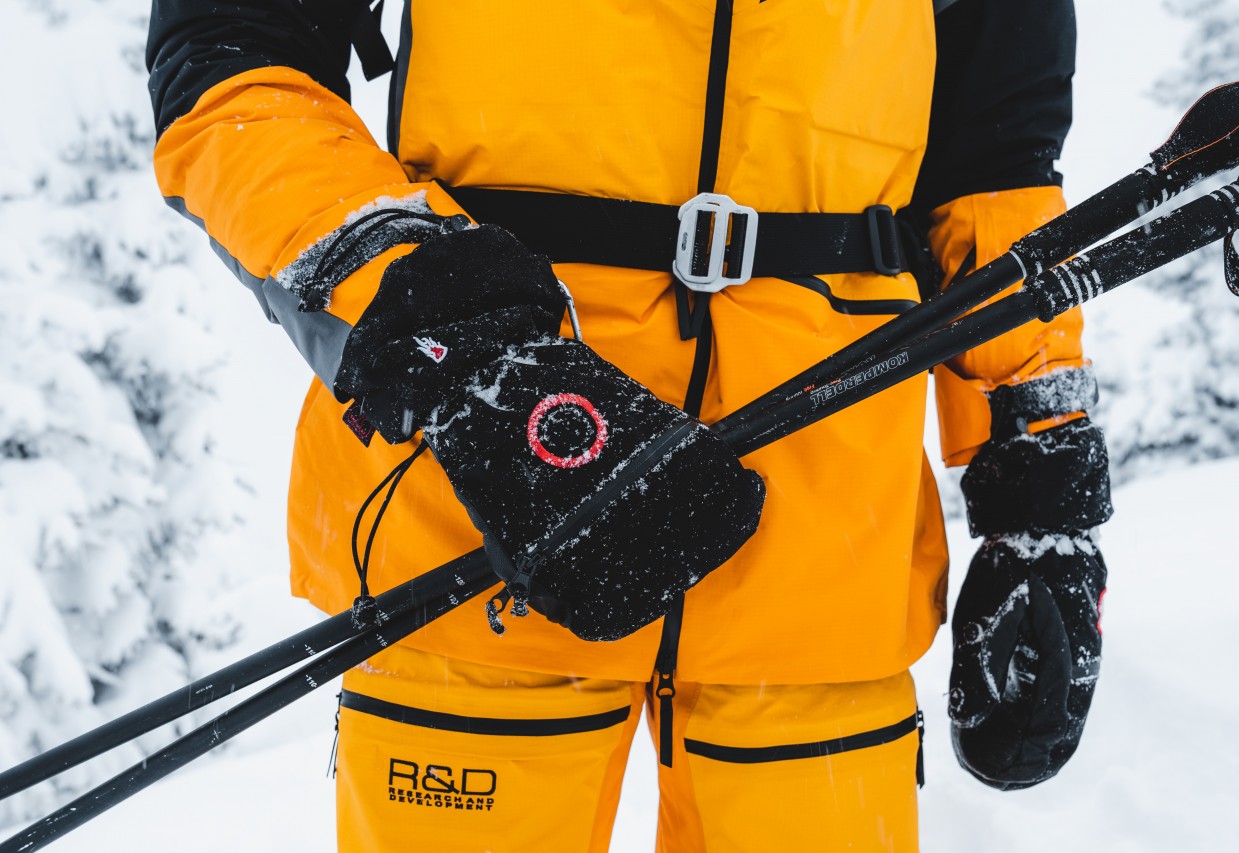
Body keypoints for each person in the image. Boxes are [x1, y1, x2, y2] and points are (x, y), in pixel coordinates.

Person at [145, 0, 1112, 849]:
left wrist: (1039, 469)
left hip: (823, 539)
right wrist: (443, 326)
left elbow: (997, 171)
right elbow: (230, 65)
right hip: (490, 492)